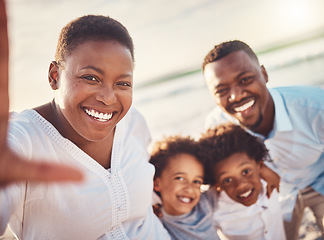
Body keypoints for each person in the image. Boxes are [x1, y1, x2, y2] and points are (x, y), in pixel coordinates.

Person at [0, 1, 170, 239]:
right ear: (54, 76)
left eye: (123, 83)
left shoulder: (133, 122)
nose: (108, 98)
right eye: (91, 78)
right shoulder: (19, 141)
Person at [202, 40, 324, 239]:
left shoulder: (315, 107)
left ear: (264, 74)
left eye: (245, 79)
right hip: (275, 196)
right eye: (222, 90)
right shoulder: (218, 127)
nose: (236, 95)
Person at [198, 123, 286, 240]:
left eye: (245, 171)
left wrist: (265, 170)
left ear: (259, 166)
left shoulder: (270, 178)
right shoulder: (215, 212)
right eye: (227, 180)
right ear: (218, 185)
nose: (241, 185)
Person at [149, 135, 221, 240]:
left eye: (196, 181)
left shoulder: (205, 202)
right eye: (180, 178)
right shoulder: (156, 223)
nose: (190, 189)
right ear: (156, 184)